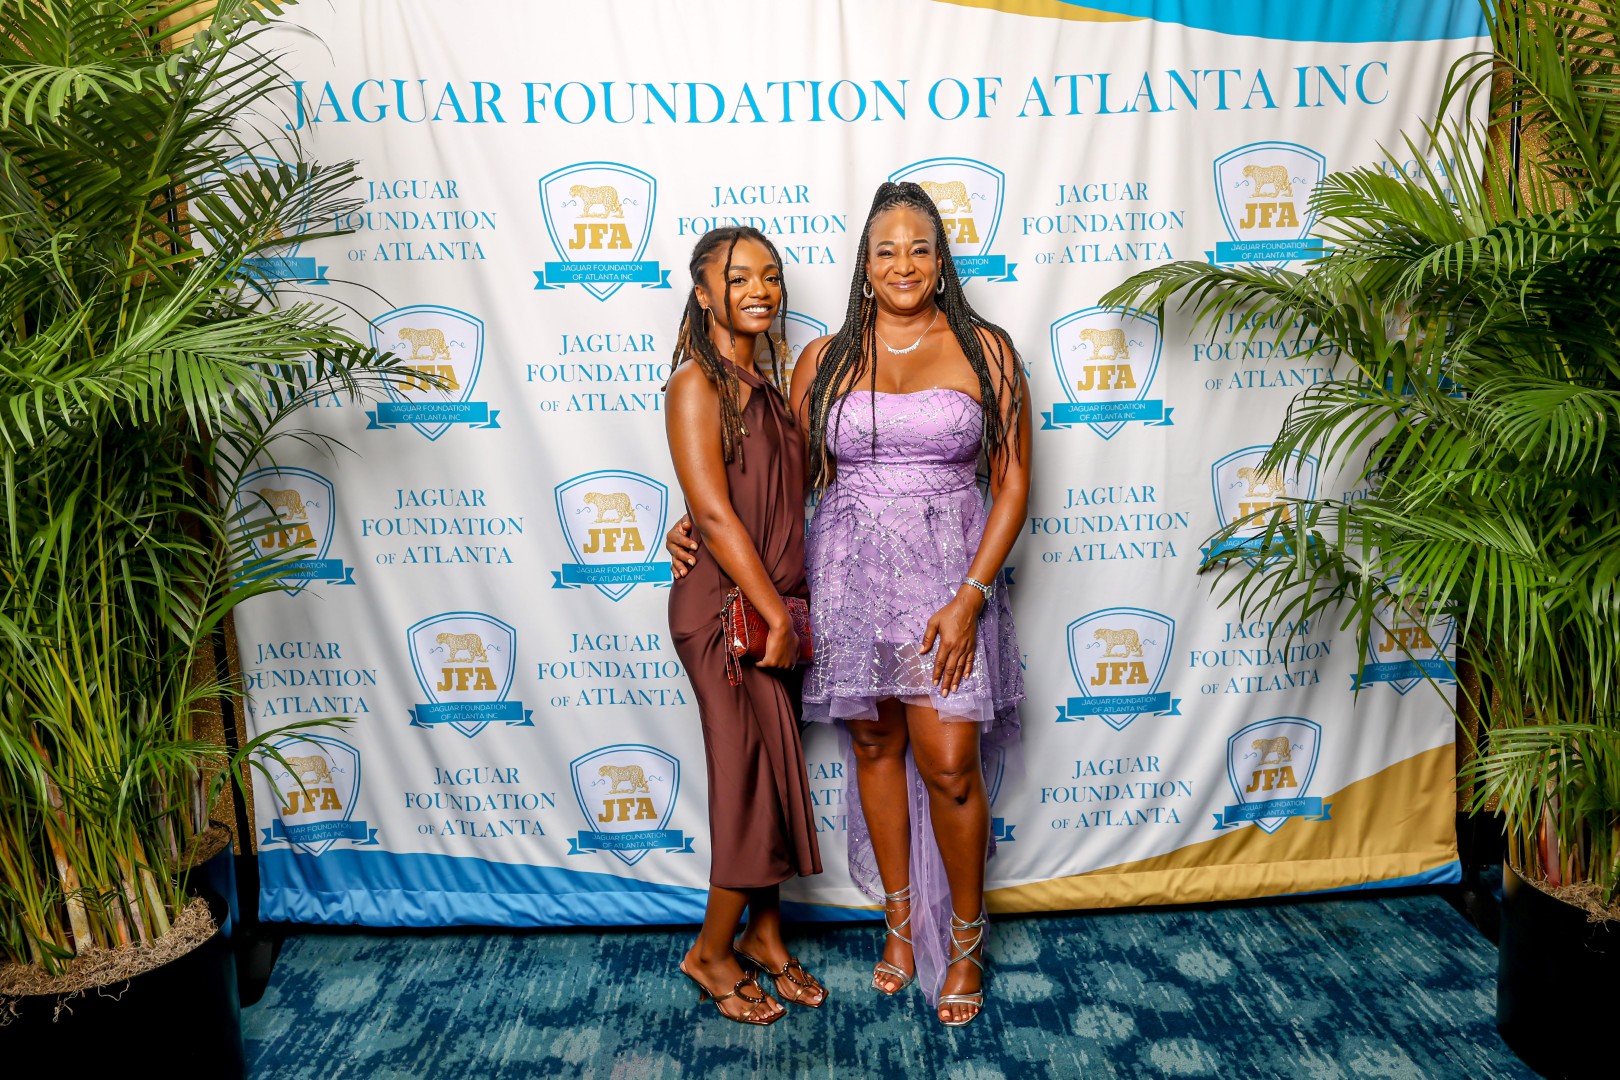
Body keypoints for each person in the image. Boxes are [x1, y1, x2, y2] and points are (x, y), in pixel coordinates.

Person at [670, 183, 1029, 1026]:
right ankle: (899, 924)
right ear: (864, 267)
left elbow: (1013, 485)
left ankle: (965, 941)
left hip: (948, 583)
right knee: (874, 746)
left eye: (919, 249)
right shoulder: (824, 359)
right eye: (885, 251)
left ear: (940, 262)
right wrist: (691, 521)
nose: (903, 265)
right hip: (850, 581)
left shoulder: (986, 349)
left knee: (950, 764)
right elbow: (772, 470)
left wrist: (971, 597)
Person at [664, 226, 825, 1026]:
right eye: (737, 278)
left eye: (770, 275)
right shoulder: (696, 383)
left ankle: (765, 936)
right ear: (704, 295)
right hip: (728, 614)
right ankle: (709, 953)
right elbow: (719, 515)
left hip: (771, 608)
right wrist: (771, 615)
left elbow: (752, 491)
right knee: (746, 782)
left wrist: (781, 612)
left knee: (772, 773)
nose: (759, 289)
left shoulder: (767, 387)